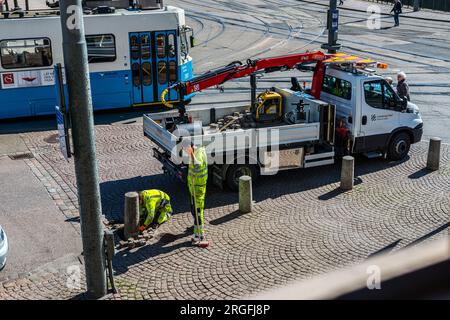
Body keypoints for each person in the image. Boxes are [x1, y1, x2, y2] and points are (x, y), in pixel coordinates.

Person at [186, 142, 208, 246]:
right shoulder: (199, 149)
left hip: (197, 188)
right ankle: (196, 233)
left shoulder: (197, 153)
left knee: (198, 212)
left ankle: (200, 235)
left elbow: (198, 165)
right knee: (195, 211)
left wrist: (191, 154)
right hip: (194, 187)